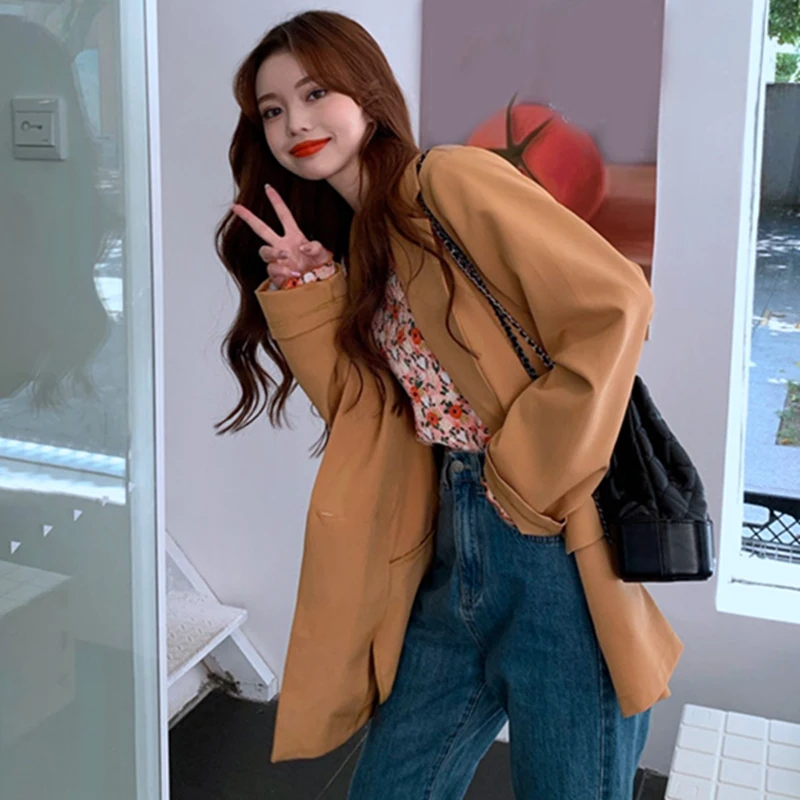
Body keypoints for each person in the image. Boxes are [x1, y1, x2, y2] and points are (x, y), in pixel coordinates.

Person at [215, 10, 683, 799]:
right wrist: (307, 286)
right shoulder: (364, 240)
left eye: (315, 92)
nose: (294, 122)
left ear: (367, 91)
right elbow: (360, 412)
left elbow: (617, 303)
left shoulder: (450, 180)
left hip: (548, 553)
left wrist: (525, 476)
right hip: (446, 550)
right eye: (272, 109)